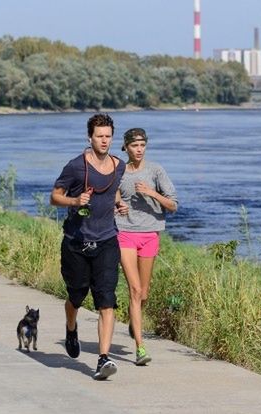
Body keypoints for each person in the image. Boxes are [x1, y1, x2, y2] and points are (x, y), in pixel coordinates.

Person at [50, 113, 128, 380]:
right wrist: (75, 202)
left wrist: (118, 202)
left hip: (107, 240)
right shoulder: (75, 167)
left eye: (108, 136)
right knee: (76, 297)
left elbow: (113, 188)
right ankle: (71, 327)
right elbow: (55, 197)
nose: (104, 141)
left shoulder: (120, 166)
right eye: (99, 136)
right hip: (77, 243)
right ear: (90, 138)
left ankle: (103, 359)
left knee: (107, 300)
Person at [116, 127, 178, 366]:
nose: (139, 150)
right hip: (125, 233)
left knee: (143, 293)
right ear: (126, 147)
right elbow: (112, 195)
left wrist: (152, 192)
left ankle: (135, 319)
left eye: (142, 145)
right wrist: (118, 204)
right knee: (133, 290)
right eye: (134, 145)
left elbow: (173, 205)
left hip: (150, 234)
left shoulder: (156, 171)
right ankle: (140, 348)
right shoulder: (119, 170)